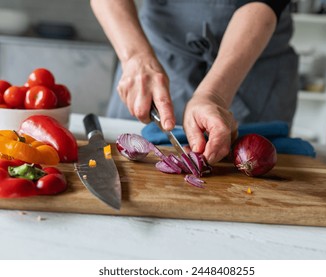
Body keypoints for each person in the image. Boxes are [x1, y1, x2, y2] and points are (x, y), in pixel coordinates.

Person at [90, 0, 298, 165]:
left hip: (252, 58)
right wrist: (135, 56)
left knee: (257, 159)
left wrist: (213, 95)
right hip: (153, 51)